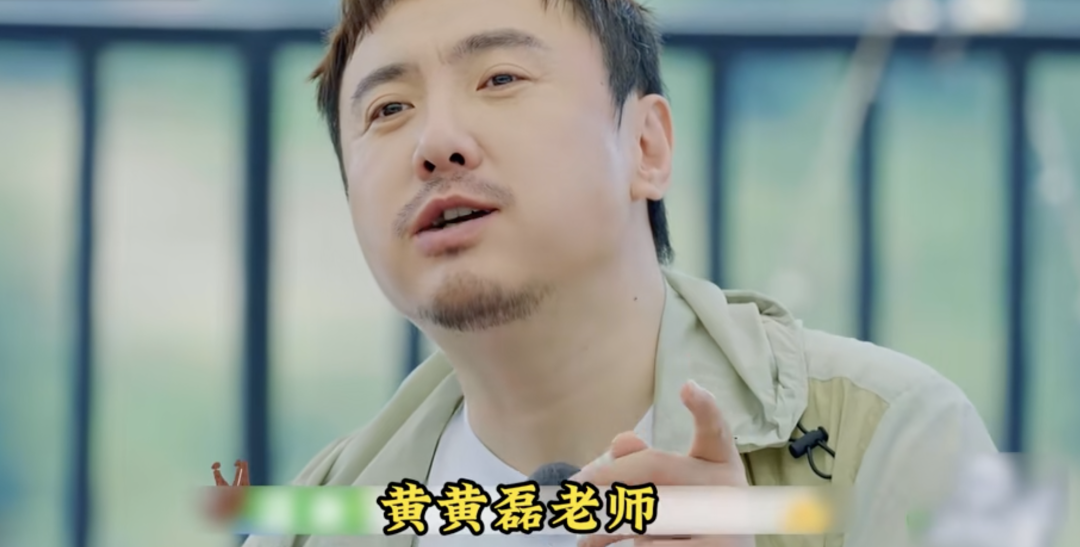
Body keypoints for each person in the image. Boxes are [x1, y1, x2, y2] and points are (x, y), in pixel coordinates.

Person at [241, 0, 997, 545]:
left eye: (500, 78)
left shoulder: (900, 434)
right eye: (387, 109)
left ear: (646, 146)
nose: (436, 144)